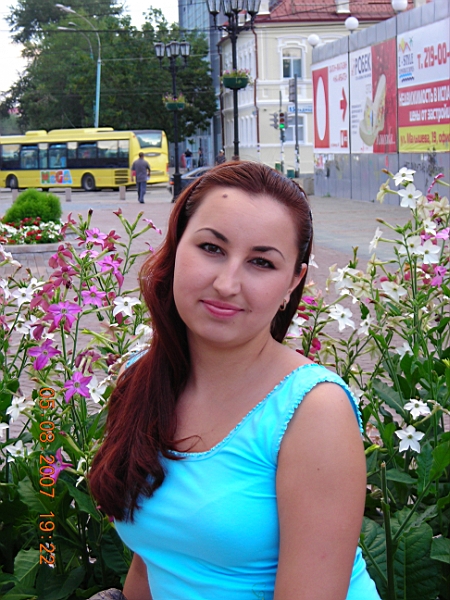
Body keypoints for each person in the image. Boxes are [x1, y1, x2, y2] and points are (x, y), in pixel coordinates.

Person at [89, 162, 381, 600]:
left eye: (261, 262)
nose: (227, 284)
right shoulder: (140, 377)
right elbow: (154, 560)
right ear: (176, 247)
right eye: (211, 248)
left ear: (293, 282)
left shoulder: (313, 411)